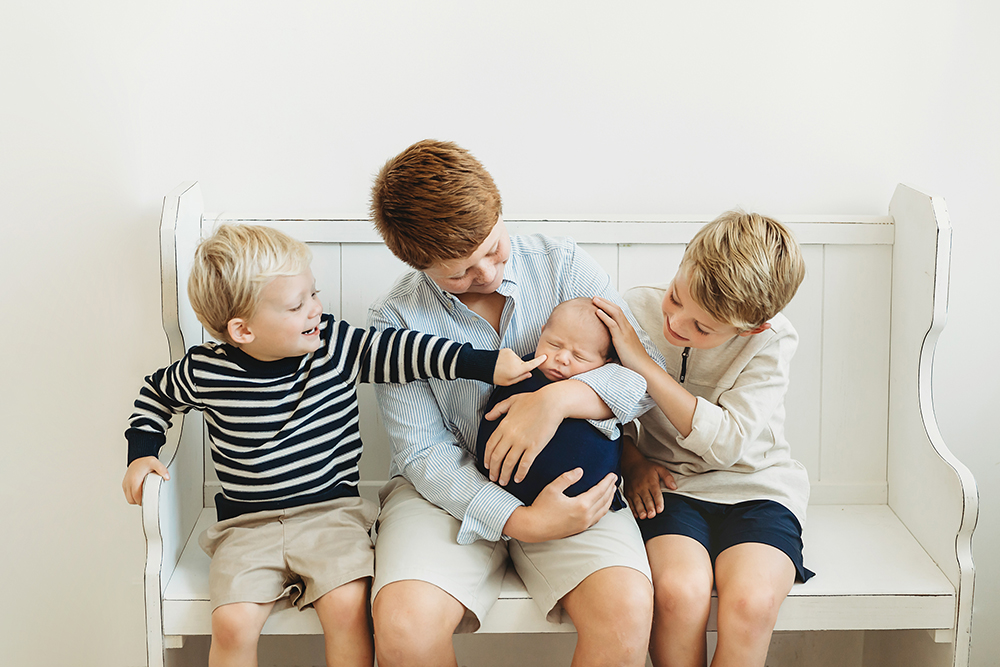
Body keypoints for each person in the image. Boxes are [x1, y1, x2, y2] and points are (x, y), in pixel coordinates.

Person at [120, 223, 540, 667]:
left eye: (314, 294)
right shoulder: (204, 371)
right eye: (297, 305)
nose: (315, 310)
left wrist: (485, 364)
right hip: (245, 527)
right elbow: (155, 396)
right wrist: (142, 453)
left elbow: (406, 352)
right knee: (232, 625)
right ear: (242, 330)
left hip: (332, 517)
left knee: (346, 611)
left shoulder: (334, 346)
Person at [367, 139, 661, 667]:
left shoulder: (564, 265)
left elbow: (642, 380)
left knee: (626, 609)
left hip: (576, 477)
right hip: (444, 494)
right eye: (459, 271)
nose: (485, 272)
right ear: (418, 264)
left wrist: (556, 401)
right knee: (405, 626)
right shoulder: (397, 321)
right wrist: (521, 521)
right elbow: (423, 455)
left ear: (500, 213)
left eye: (493, 247)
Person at [593, 210, 813, 667]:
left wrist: (646, 366)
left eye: (703, 328)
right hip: (669, 488)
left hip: (758, 490)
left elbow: (730, 443)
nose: (676, 323)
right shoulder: (635, 309)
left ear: (752, 328)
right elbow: (606, 407)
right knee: (677, 594)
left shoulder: (771, 342)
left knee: (750, 603)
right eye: (676, 297)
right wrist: (631, 460)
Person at [475, 297, 624, 511]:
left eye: (579, 356)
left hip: (584, 506)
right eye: (554, 344)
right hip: (499, 498)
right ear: (542, 332)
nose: (562, 358)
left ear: (605, 364)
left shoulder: (607, 387)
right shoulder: (519, 371)